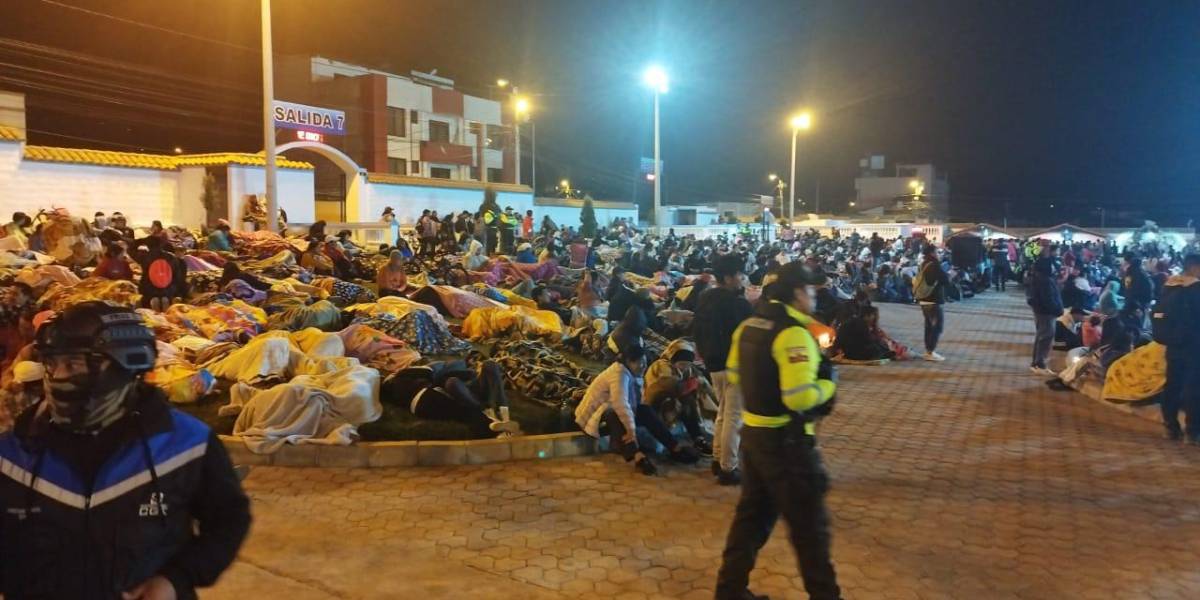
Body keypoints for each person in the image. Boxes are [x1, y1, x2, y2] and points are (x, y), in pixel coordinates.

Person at [0, 302, 251, 598]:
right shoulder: (15, 454)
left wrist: (175, 579)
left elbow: (228, 521)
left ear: (123, 364)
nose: (57, 378)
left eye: (74, 364)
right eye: (53, 365)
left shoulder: (186, 446)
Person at [715, 261, 841, 600]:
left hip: (753, 439)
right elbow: (799, 398)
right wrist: (827, 386)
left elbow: (735, 375)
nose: (814, 297)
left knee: (750, 522)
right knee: (810, 531)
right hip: (787, 446)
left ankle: (729, 591)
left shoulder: (749, 326)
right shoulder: (794, 334)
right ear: (798, 293)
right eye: (811, 290)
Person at [574, 345, 700, 476]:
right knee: (615, 414)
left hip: (608, 411)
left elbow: (635, 403)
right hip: (592, 420)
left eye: (644, 362)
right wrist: (631, 431)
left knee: (644, 410)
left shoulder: (631, 373)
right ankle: (637, 455)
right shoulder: (619, 375)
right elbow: (621, 404)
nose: (643, 366)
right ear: (629, 361)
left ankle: (674, 447)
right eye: (639, 362)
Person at [693, 254, 754, 485]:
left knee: (723, 413)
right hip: (734, 365)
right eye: (740, 275)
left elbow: (696, 331)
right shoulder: (736, 304)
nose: (743, 279)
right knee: (733, 416)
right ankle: (729, 467)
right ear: (728, 278)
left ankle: (718, 459)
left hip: (713, 365)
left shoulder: (705, 298)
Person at [1153, 253, 1200, 444]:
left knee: (1172, 385)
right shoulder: (1195, 288)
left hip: (1173, 345)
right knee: (1193, 388)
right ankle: (1193, 431)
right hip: (1194, 345)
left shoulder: (1169, 286)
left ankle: (1171, 426)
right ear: (1195, 267)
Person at [643, 340, 715, 456]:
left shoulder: (688, 368)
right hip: (656, 404)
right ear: (673, 359)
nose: (684, 368)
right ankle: (693, 438)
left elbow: (703, 382)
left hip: (676, 399)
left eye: (687, 364)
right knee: (686, 401)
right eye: (681, 364)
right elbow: (665, 386)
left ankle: (698, 438)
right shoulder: (660, 365)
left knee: (696, 393)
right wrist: (689, 386)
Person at [1028, 251, 1064, 376]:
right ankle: (1039, 364)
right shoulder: (1045, 281)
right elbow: (1048, 299)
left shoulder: (1039, 278)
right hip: (1046, 313)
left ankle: (1037, 363)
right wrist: (1057, 310)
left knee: (1041, 336)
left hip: (1042, 312)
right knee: (1045, 338)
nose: (1054, 268)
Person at [914, 246, 949, 361]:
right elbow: (945, 280)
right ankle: (930, 351)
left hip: (923, 299)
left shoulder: (924, 264)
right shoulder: (934, 264)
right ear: (932, 253)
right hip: (932, 299)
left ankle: (928, 350)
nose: (938, 254)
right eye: (937, 252)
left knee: (928, 326)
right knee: (937, 326)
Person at [138, 237, 188, 311]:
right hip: (168, 289)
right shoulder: (172, 257)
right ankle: (166, 302)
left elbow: (144, 277)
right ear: (161, 245)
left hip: (150, 289)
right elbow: (177, 278)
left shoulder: (145, 257)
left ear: (148, 246)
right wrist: (177, 292)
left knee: (145, 296)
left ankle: (154, 302)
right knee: (168, 292)